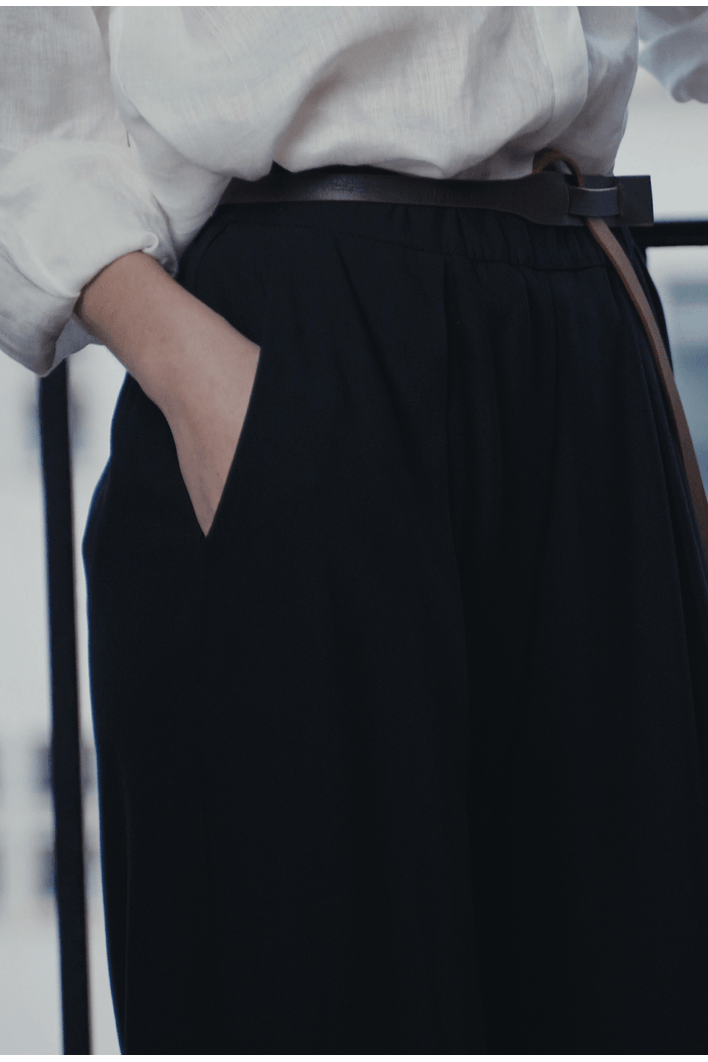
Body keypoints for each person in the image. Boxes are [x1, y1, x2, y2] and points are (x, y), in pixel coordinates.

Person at [2, 6, 708, 1053]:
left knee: (631, 984)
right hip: (288, 329)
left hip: (579, 323)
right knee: (310, 992)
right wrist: (197, 377)